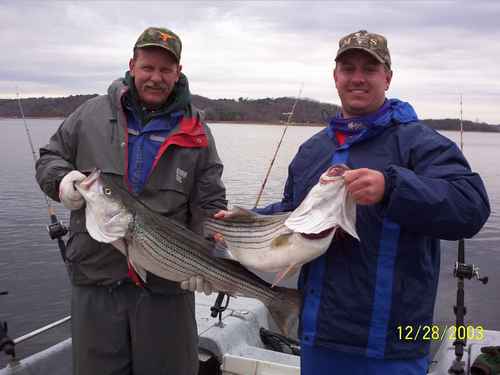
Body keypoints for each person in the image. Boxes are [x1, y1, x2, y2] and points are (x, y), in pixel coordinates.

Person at [253, 30, 490, 374]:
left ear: (388, 77)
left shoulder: (420, 143)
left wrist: (393, 187)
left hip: (393, 348)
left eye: (370, 69)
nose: (358, 78)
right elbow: (294, 213)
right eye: (348, 69)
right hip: (319, 338)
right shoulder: (313, 151)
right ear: (336, 77)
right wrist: (241, 221)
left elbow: (471, 206)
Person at [36, 26, 226, 375]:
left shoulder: (197, 132)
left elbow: (209, 202)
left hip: (168, 285)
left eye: (165, 70)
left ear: (178, 73)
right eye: (148, 67)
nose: (156, 77)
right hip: (95, 280)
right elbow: (49, 157)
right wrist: (62, 181)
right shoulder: (89, 115)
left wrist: (210, 251)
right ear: (132, 66)